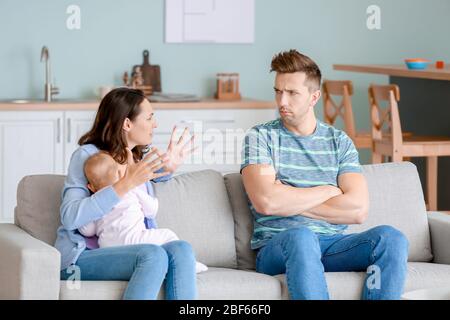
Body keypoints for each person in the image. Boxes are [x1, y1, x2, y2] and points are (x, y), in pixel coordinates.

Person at [240, 49, 409, 300]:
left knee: (391, 238)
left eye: (292, 93)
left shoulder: (339, 142)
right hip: (278, 247)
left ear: (314, 97)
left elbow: (358, 210)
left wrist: (288, 197)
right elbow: (266, 201)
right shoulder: (260, 138)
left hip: (332, 245)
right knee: (302, 237)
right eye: (278, 91)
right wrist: (328, 191)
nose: (281, 101)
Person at [54, 87, 199, 300]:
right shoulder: (87, 156)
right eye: (149, 118)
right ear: (127, 124)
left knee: (182, 249)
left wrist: (168, 168)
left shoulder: (135, 159)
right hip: (83, 256)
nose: (155, 124)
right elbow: (70, 217)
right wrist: (125, 184)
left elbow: (148, 176)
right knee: (153, 255)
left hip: (131, 247)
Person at [78, 151, 208, 273]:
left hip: (108, 249)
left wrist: (84, 203)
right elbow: (152, 211)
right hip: (135, 239)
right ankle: (188, 263)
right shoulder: (131, 190)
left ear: (90, 187)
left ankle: (168, 264)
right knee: (168, 235)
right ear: (120, 173)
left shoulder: (95, 203)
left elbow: (87, 231)